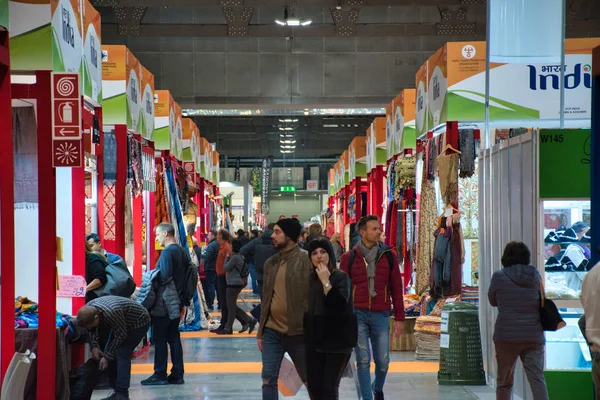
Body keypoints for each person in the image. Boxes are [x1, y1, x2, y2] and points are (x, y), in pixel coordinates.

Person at [339, 215, 405, 400]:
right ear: (362, 232)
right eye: (374, 229)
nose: (379, 232)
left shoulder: (388, 256)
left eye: (379, 228)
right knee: (363, 360)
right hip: (357, 314)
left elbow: (396, 288)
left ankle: (378, 388)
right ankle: (367, 397)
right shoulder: (349, 258)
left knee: (383, 361)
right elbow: (343, 291)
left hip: (381, 314)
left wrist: (399, 317)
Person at [257, 218, 312, 400]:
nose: (273, 235)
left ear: (289, 236)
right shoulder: (270, 264)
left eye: (278, 232)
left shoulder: (307, 260)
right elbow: (266, 299)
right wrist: (261, 332)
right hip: (272, 331)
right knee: (268, 378)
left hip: (299, 332)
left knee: (310, 379)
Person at [488, 242, 549, 400]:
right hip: (533, 335)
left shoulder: (498, 276)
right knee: (537, 380)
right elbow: (543, 299)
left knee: (504, 381)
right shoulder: (535, 275)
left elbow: (493, 300)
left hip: (506, 337)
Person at [305, 238, 357, 400]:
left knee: (329, 389)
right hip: (315, 340)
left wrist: (326, 283)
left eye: (323, 252)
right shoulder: (310, 278)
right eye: (314, 253)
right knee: (314, 388)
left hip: (337, 342)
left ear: (330, 255)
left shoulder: (340, 277)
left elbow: (340, 306)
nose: (319, 256)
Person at [77, 296, 151, 400]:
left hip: (138, 322)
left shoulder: (111, 312)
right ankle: (116, 391)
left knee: (122, 353)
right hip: (122, 322)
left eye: (91, 324)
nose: (90, 328)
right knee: (111, 351)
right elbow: (91, 329)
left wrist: (106, 357)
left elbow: (121, 335)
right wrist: (94, 346)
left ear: (96, 318)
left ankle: (122, 394)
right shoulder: (89, 309)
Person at [141, 223, 187, 386]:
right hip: (177, 301)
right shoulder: (181, 251)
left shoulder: (168, 252)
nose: (156, 238)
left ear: (166, 233)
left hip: (165, 302)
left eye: (157, 235)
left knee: (160, 338)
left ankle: (159, 373)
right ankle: (177, 373)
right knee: (173, 337)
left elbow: (164, 276)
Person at [221, 239, 258, 334]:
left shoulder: (234, 258)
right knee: (232, 306)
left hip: (233, 284)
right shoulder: (239, 256)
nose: (229, 246)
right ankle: (249, 320)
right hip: (236, 283)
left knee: (231, 308)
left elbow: (225, 268)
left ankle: (228, 328)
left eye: (230, 245)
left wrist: (226, 257)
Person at [241, 223, 278, 299]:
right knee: (274, 297)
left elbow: (243, 250)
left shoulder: (257, 241)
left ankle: (263, 310)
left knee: (263, 297)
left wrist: (253, 258)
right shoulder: (277, 241)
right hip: (275, 273)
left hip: (260, 273)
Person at [202, 230, 220, 310]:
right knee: (217, 286)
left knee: (210, 286)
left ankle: (210, 303)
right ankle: (220, 303)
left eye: (209, 235)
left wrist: (201, 254)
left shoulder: (212, 245)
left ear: (213, 235)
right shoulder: (218, 243)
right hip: (216, 268)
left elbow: (207, 256)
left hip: (210, 268)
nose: (208, 237)